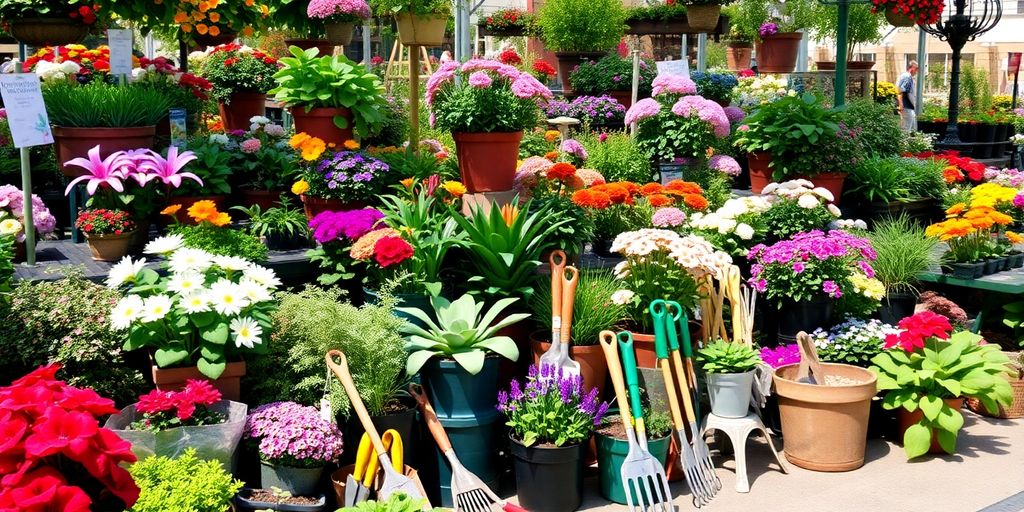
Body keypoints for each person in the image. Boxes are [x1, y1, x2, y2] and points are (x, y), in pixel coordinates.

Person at [897, 60, 919, 132]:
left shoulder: (906, 76)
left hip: (908, 106)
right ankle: (903, 143)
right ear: (912, 68)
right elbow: (900, 91)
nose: (917, 71)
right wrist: (901, 105)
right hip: (906, 106)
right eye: (916, 69)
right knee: (906, 129)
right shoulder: (907, 77)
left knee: (912, 128)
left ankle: (909, 142)